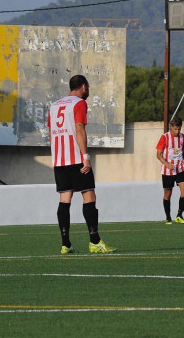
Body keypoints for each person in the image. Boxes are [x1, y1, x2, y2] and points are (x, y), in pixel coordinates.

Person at [48, 74, 116, 254]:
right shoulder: (79, 103)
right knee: (89, 196)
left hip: (59, 159)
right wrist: (85, 156)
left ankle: (65, 243)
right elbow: (79, 129)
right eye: (88, 88)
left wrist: (56, 156)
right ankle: (94, 240)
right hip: (76, 159)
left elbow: (51, 133)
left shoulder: (54, 106)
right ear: (83, 86)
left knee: (64, 199)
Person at [156, 116, 184, 225]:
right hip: (167, 170)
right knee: (168, 194)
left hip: (180, 168)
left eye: (179, 129)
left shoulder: (182, 137)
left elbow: (183, 152)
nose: (177, 131)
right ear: (171, 127)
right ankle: (168, 217)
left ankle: (179, 215)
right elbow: (158, 155)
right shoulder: (164, 137)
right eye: (175, 129)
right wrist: (167, 164)